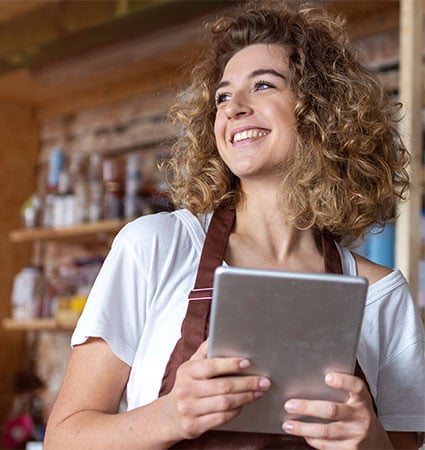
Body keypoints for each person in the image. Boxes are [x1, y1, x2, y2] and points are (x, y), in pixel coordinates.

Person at [44, 1, 425, 449]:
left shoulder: (381, 295)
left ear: (321, 110)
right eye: (223, 96)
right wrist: (167, 416)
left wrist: (371, 442)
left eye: (263, 85)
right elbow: (63, 438)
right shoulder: (155, 248)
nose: (234, 108)